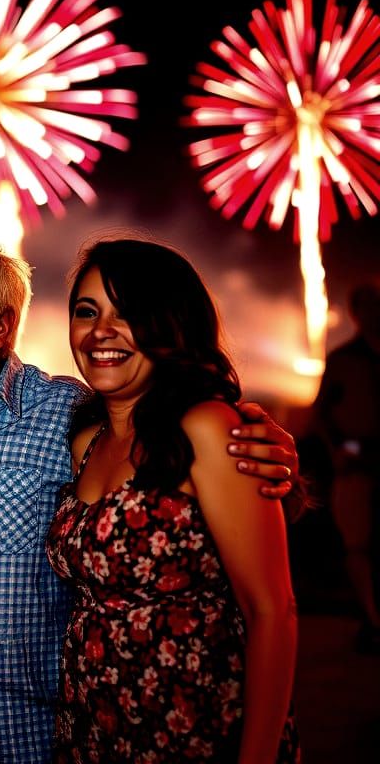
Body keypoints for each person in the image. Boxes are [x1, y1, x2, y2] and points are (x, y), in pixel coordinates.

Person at [0, 220, 301, 763]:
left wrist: (255, 434)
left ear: (1, 328)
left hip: (41, 741)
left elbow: (269, 605)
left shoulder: (62, 419)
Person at [46, 236, 300, 762]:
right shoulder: (85, 442)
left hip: (194, 723)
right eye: (86, 312)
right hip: (95, 723)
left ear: (170, 325)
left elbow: (272, 610)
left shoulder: (205, 428)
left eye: (128, 313)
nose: (100, 332)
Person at [313, 279, 380, 653]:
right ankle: (371, 619)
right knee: (358, 542)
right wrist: (338, 451)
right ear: (356, 314)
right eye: (368, 306)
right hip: (357, 463)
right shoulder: (344, 361)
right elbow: (322, 411)